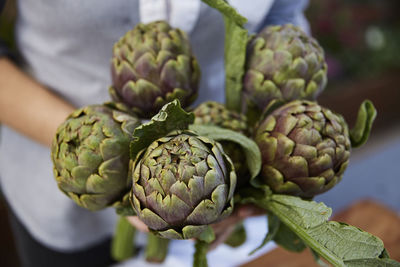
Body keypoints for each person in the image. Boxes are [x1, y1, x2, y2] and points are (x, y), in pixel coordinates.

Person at [0, 0, 309, 266]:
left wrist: (265, 155)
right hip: (55, 197)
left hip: (218, 159)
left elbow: (281, 18)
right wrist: (106, 150)